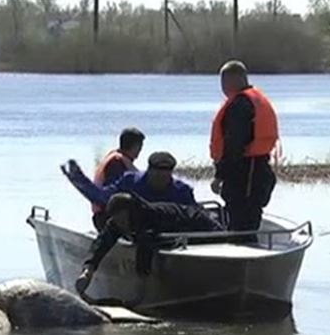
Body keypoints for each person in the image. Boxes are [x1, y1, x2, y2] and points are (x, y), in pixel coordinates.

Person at [75, 193, 223, 298]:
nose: (121, 224)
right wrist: (88, 270)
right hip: (176, 232)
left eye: (123, 219)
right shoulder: (116, 223)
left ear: (132, 213)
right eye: (117, 220)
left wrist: (141, 292)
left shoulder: (150, 217)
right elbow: (101, 243)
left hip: (200, 223)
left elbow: (145, 250)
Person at [208, 60, 278, 242]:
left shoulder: (240, 105)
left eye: (223, 83)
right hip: (257, 168)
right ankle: (246, 251)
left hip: (245, 172)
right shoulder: (255, 99)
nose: (223, 88)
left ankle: (242, 257)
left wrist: (219, 176)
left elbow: (234, 145)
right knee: (247, 218)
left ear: (229, 81)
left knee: (241, 221)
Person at [61, 151, 197, 231]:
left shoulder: (182, 191)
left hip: (172, 237)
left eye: (165, 175)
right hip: (135, 232)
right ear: (149, 170)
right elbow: (103, 198)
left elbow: (196, 216)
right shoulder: (131, 182)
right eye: (157, 175)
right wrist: (78, 179)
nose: (161, 180)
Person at [90, 128, 145, 229]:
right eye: (140, 147)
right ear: (135, 146)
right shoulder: (116, 162)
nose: (140, 151)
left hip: (103, 214)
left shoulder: (114, 156)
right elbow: (117, 193)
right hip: (106, 218)